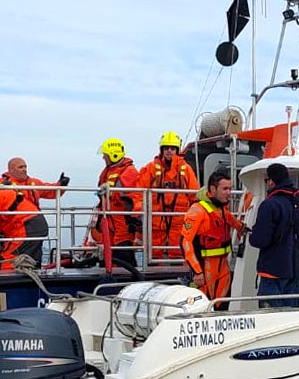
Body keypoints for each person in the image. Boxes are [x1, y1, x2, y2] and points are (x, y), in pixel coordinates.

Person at [180, 169, 245, 305]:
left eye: (230, 188)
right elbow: (185, 242)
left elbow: (234, 222)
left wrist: (243, 228)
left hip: (223, 266)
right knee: (202, 305)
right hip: (204, 267)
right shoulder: (197, 210)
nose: (229, 192)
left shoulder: (221, 210)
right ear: (213, 189)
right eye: (225, 189)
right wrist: (197, 271)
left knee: (221, 304)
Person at [249, 162, 299, 308]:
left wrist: (251, 234)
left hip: (272, 271)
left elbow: (260, 240)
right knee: (292, 317)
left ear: (271, 181)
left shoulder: (270, 205)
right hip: (294, 270)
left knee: (269, 317)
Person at [138, 131, 199, 261]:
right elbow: (138, 191)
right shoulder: (151, 168)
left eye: (172, 148)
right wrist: (138, 212)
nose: (169, 151)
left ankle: (179, 269)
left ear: (177, 150)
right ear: (162, 150)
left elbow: (194, 195)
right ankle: (154, 269)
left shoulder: (185, 170)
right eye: (166, 148)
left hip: (179, 218)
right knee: (154, 249)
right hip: (156, 217)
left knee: (178, 248)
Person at [93, 138, 143, 267]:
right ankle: (110, 273)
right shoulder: (109, 171)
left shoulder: (129, 172)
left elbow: (135, 197)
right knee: (108, 253)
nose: (104, 157)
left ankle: (130, 278)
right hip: (110, 219)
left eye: (106, 155)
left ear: (113, 155)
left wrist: (135, 218)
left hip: (122, 220)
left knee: (124, 253)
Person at [0, 157, 70, 205]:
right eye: (20, 167)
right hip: (13, 222)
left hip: (34, 219)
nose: (24, 169)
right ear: (11, 170)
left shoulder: (34, 183)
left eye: (25, 167)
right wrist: (1, 186)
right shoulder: (2, 183)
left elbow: (50, 191)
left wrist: (61, 184)